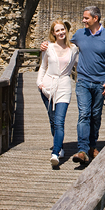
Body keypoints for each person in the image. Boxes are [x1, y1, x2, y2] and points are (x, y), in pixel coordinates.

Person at [41, 6, 105, 164]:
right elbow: (62, 42)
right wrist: (46, 44)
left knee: (95, 116)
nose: (83, 20)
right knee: (84, 114)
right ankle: (82, 150)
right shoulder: (80, 34)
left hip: (100, 83)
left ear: (95, 18)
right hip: (82, 81)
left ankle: (92, 146)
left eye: (86, 18)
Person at [37, 20, 79, 169]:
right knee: (52, 120)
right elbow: (43, 67)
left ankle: (55, 154)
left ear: (66, 31)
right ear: (53, 33)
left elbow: (80, 67)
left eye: (63, 29)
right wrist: (39, 83)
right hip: (47, 87)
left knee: (60, 121)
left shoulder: (73, 49)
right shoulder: (48, 47)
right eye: (58, 30)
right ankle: (60, 147)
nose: (61, 32)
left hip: (64, 87)